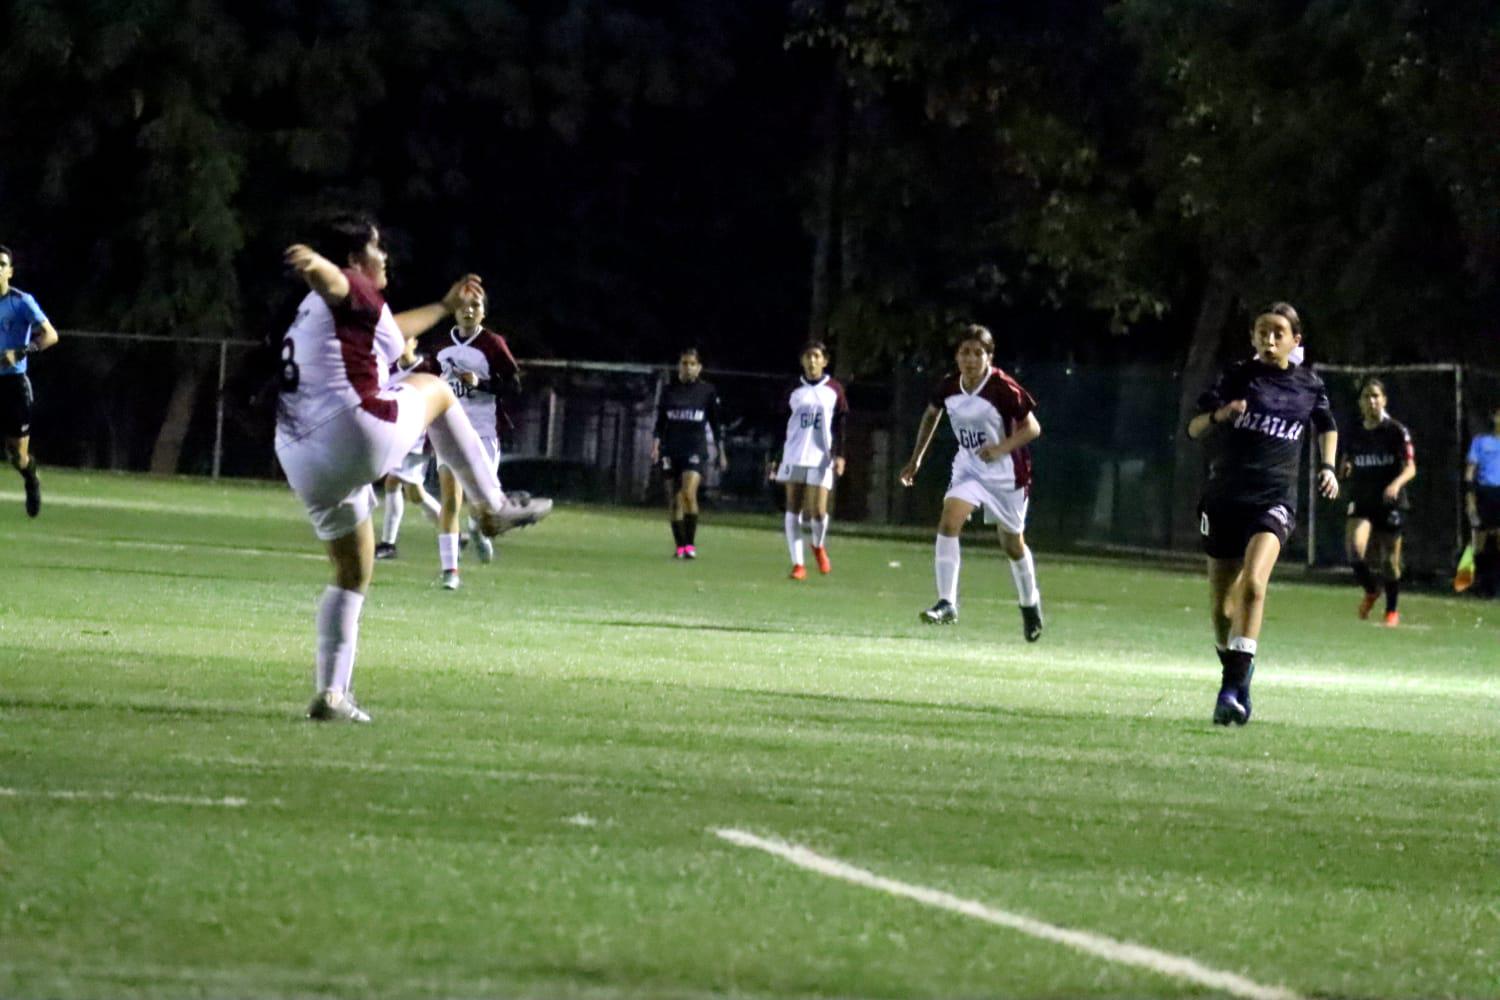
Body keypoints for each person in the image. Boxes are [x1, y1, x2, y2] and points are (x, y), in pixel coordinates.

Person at [275, 214, 542, 722]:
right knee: (439, 390)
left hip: (300, 455)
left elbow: (392, 336)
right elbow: (334, 281)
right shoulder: (344, 284)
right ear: (355, 261)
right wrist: (315, 264)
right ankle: (494, 505)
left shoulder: (320, 316)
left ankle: (331, 695)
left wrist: (444, 307)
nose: (385, 258)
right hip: (352, 430)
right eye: (377, 249)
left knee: (353, 570)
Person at [1187, 302, 1338, 726]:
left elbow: (1327, 425)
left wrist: (1328, 467)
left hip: (1274, 499)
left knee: (1254, 583)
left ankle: (1230, 690)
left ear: (1296, 340)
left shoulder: (1309, 384)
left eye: (1278, 333)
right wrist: (1220, 414)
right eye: (1262, 333)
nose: (1269, 341)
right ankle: (1237, 678)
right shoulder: (1236, 376)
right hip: (1224, 497)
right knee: (1221, 608)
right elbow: (1193, 428)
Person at [898, 324, 1043, 641]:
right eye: (965, 352)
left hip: (1007, 474)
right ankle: (947, 602)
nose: (971, 359)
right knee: (949, 521)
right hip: (969, 467)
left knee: (1012, 545)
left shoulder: (1002, 387)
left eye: (978, 353)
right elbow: (931, 414)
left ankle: (1030, 604)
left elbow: (1032, 428)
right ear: (957, 356)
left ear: (989, 357)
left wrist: (1001, 448)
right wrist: (917, 458)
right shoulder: (950, 386)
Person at [423, 289, 548, 590]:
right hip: (449, 431)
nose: (468, 310)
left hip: (482, 431)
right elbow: (428, 385)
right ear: (455, 311)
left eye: (475, 305)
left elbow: (514, 386)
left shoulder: (492, 344)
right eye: (463, 306)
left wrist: (482, 384)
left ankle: (478, 531)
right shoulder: (440, 347)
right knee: (451, 500)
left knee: (483, 506)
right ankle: (450, 571)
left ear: (483, 312)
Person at [1339, 378, 1416, 626]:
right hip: (1362, 499)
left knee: (1389, 562)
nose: (1371, 401)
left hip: (1389, 502)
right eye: (1366, 397)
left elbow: (1411, 468)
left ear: (1384, 400)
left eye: (1375, 396)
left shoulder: (1395, 431)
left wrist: (1395, 484)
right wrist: (1344, 469)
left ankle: (1391, 610)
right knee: (1354, 551)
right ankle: (1372, 590)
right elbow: (1347, 460)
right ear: (1360, 402)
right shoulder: (1354, 431)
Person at [769, 341, 848, 578]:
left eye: (816, 356)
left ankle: (818, 544)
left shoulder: (834, 389)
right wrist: (775, 457)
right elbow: (780, 425)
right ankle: (798, 564)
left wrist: (841, 454)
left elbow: (841, 423)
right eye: (807, 356)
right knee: (793, 508)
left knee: (818, 510)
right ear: (802, 361)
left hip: (821, 457)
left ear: (824, 361)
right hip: (793, 454)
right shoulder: (793, 389)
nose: (811, 361)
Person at [0, 245, 60, 518]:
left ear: (10, 271)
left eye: (2, 264)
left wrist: (21, 352)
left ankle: (30, 477)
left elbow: (50, 336)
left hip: (13, 386)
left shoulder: (22, 302)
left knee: (16, 455)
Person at [650, 348, 726, 558]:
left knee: (688, 494)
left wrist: (721, 451)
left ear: (699, 367)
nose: (688, 367)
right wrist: (656, 444)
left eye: (692, 364)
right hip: (670, 448)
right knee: (674, 500)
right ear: (679, 366)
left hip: (694, 448)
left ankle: (690, 544)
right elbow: (660, 422)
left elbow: (716, 424)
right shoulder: (669, 391)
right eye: (684, 363)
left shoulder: (707, 391)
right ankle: (680, 546)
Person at [374, 338, 442, 561]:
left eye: (405, 339)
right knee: (415, 493)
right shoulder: (390, 369)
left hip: (418, 438)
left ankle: (388, 544)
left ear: (414, 342)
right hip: (399, 436)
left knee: (392, 482)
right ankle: (453, 531)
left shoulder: (427, 370)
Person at [1463, 402, 1500, 597]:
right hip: (1485, 493)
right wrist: (1470, 501)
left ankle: (1494, 586)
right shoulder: (1481, 441)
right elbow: (1470, 473)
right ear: (1494, 417)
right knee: (1479, 541)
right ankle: (1472, 582)